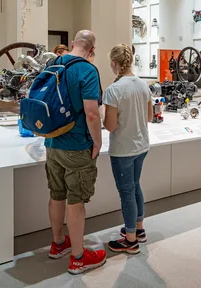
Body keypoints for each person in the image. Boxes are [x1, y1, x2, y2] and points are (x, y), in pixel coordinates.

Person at [45, 30, 106, 275]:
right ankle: (79, 257)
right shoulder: (88, 70)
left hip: (52, 143)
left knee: (56, 193)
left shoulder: (53, 63)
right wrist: (98, 142)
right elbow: (92, 113)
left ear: (72, 44)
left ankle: (58, 243)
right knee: (76, 200)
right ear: (92, 50)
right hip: (77, 146)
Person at [102, 44, 153, 255]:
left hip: (123, 149)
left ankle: (130, 240)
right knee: (135, 186)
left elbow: (110, 126)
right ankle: (139, 229)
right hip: (141, 146)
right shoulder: (143, 85)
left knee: (127, 192)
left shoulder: (113, 90)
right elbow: (149, 117)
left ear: (114, 63)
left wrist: (103, 116)